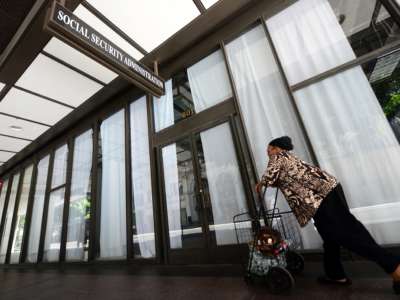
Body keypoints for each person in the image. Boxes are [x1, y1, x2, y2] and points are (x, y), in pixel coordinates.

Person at [255, 136, 400, 294]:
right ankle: (335, 274)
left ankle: (394, 267)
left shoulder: (279, 156)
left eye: (269, 149)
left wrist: (261, 184)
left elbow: (271, 174)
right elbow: (285, 179)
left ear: (277, 148)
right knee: (331, 237)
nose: (268, 153)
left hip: (320, 198)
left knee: (349, 235)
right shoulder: (289, 159)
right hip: (326, 193)